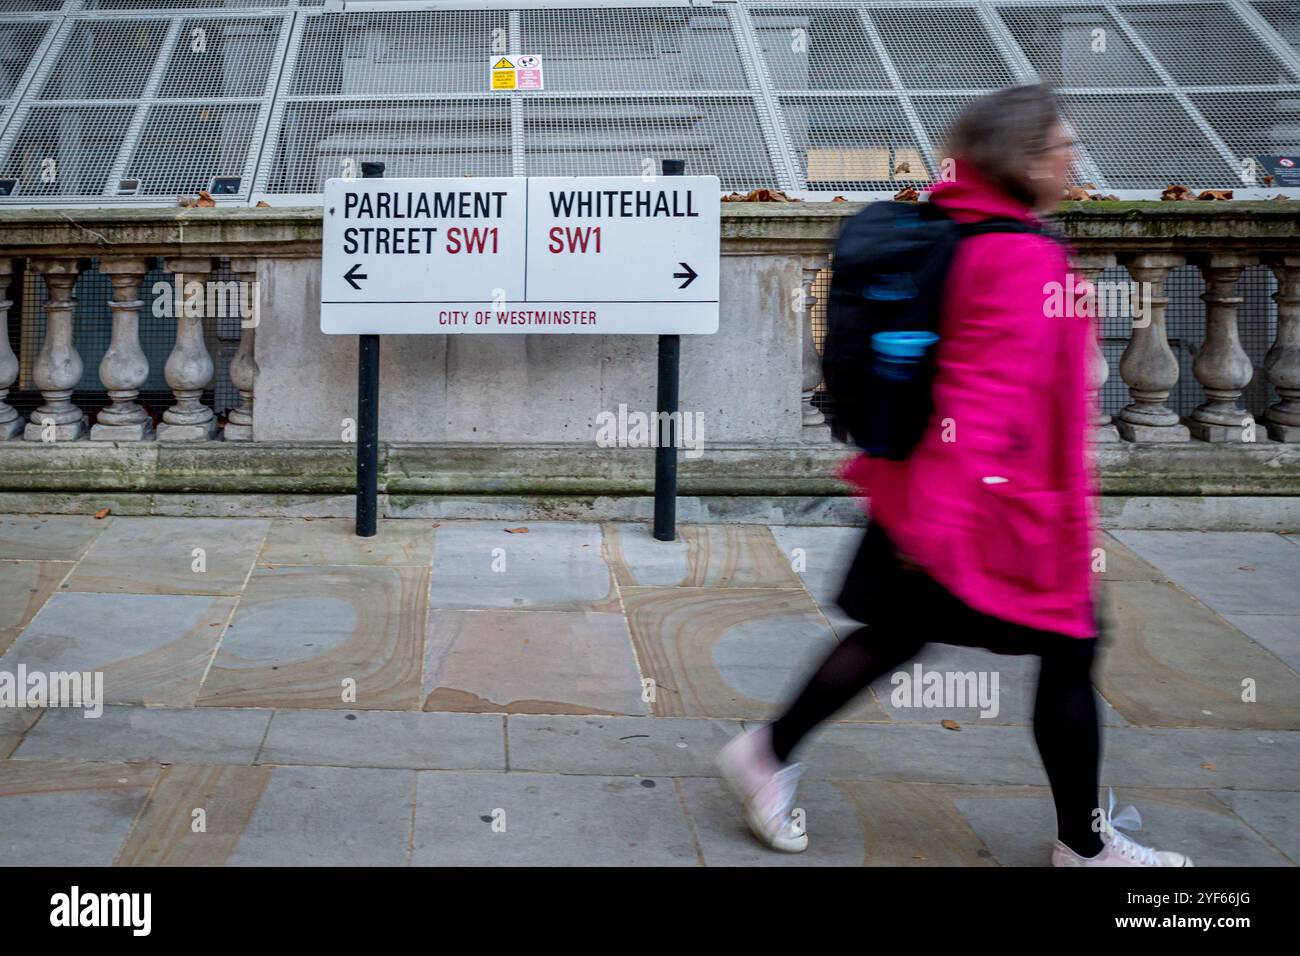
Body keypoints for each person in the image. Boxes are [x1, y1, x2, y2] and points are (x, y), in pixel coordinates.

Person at [717, 84, 1192, 867]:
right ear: (1026, 161)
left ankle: (767, 753)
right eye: (1061, 147)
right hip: (994, 516)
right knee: (1050, 652)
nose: (1074, 160)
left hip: (963, 501)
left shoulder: (968, 229)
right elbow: (981, 398)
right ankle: (1083, 845)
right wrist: (939, 525)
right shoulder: (1013, 255)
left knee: (905, 636)